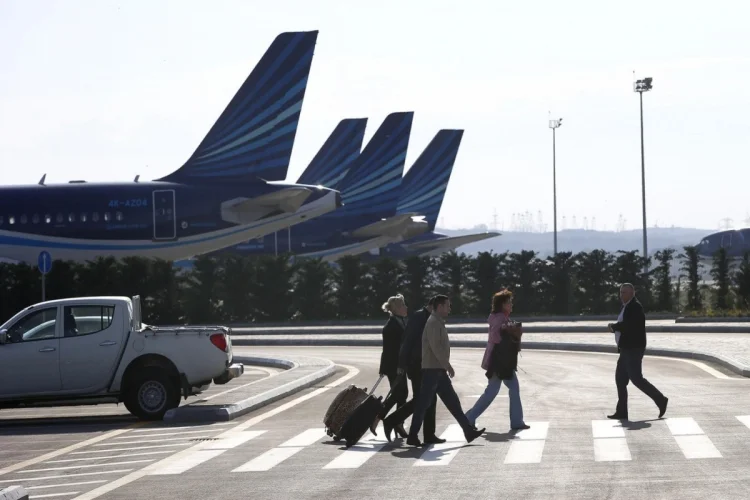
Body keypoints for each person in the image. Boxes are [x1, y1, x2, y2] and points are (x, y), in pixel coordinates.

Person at [406, 295, 485, 447]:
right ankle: (412, 435)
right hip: (432, 370)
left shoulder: (437, 322)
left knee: (453, 402)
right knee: (423, 404)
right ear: (440, 306)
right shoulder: (434, 323)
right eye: (448, 306)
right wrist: (447, 365)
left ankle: (468, 431)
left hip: (437, 370)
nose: (450, 309)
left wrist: (444, 366)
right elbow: (436, 347)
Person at [465, 289, 529, 430]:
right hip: (498, 362)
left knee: (512, 388)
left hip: (503, 362)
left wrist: (508, 327)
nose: (511, 305)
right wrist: (506, 329)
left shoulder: (500, 317)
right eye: (509, 302)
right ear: (503, 304)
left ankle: (516, 421)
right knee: (492, 392)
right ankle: (469, 418)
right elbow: (495, 336)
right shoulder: (499, 318)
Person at [381, 296, 442, 443]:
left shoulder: (407, 321)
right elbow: (402, 347)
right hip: (414, 366)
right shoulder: (416, 318)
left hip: (421, 365)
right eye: (403, 305)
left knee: (426, 399)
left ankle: (426, 434)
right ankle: (391, 420)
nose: (406, 307)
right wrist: (401, 367)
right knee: (420, 399)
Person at [607, 283, 669, 420]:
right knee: (620, 379)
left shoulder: (635, 307)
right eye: (621, 292)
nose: (621, 295)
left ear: (632, 293)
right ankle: (622, 411)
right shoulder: (627, 306)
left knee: (636, 379)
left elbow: (629, 326)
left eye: (624, 292)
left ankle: (660, 399)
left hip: (633, 349)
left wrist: (614, 327)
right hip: (626, 349)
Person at [371, 294, 409, 435]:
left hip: (400, 365)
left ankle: (397, 422)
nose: (406, 307)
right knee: (399, 394)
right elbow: (389, 351)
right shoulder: (391, 326)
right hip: (394, 366)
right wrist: (395, 367)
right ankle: (381, 418)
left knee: (401, 394)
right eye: (403, 305)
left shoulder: (401, 322)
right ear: (397, 308)